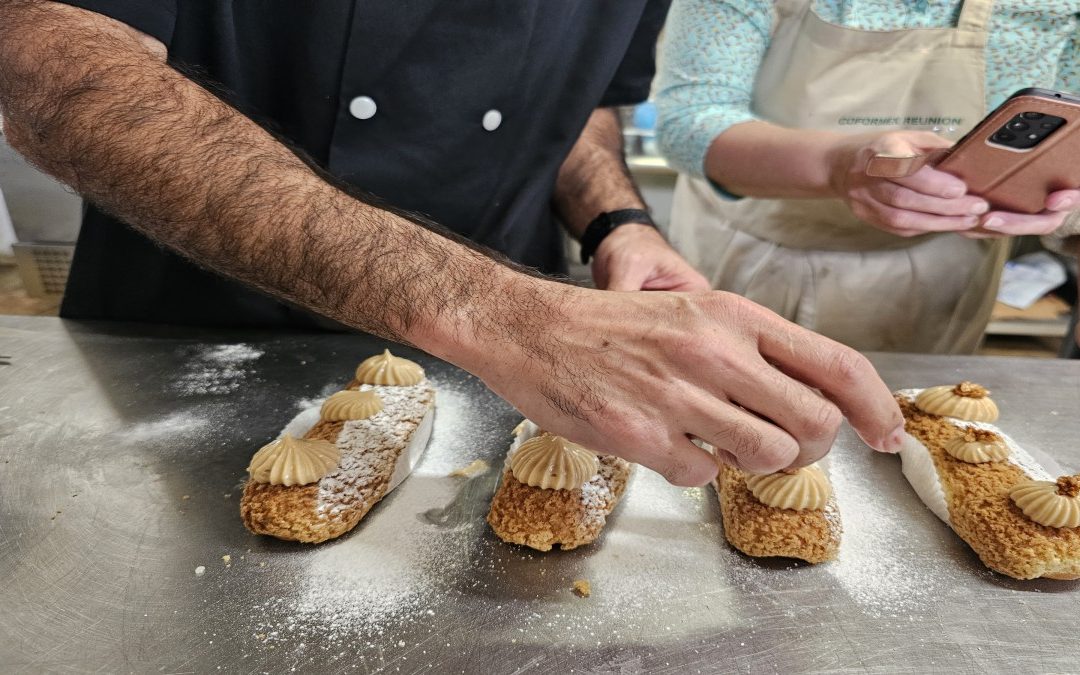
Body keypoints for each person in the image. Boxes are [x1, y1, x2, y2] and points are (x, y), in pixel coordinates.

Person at [0, 0, 906, 486]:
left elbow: (585, 106)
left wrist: (615, 222)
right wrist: (497, 309)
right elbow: (57, 70)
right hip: (194, 336)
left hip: (519, 369)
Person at [655, 0, 1080, 354]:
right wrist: (839, 165)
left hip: (945, 279)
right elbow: (689, 122)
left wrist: (1053, 202)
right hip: (751, 260)